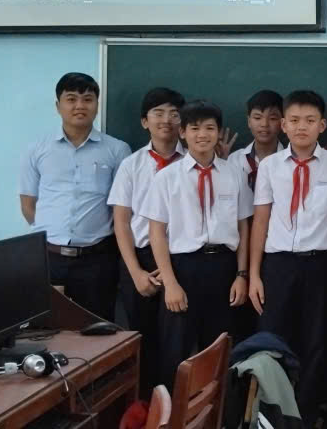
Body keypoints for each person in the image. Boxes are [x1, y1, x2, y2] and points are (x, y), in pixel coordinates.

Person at [248, 90, 327, 428]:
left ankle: (306, 417)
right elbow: (261, 220)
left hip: (321, 266)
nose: (301, 127)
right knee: (272, 341)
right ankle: (271, 416)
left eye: (309, 120)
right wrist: (253, 274)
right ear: (283, 125)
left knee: (317, 343)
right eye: (294, 120)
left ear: (322, 125)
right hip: (278, 265)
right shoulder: (270, 167)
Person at [140, 101, 252, 390]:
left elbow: (243, 227)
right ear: (183, 133)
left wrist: (241, 275)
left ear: (218, 132)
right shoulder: (167, 178)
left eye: (210, 128)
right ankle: (171, 411)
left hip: (224, 268)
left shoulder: (234, 174)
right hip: (183, 269)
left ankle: (217, 412)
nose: (202, 135)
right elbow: (156, 233)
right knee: (175, 352)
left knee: (219, 351)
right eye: (195, 128)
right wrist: (170, 283)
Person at [20, 72, 130, 321]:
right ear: (58, 105)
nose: (80, 106)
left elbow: (122, 209)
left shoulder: (117, 150)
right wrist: (54, 236)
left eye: (88, 99)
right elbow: (28, 205)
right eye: (71, 99)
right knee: (46, 329)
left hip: (97, 260)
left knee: (98, 327)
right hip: (49, 258)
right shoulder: (37, 149)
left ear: (97, 105)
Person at [106, 86, 185, 397]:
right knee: (142, 340)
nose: (166, 120)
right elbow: (121, 221)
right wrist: (136, 272)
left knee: (176, 343)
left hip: (178, 261)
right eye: (158, 113)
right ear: (144, 121)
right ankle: (144, 407)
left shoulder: (193, 163)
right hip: (138, 260)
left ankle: (173, 407)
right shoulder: (132, 164)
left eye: (174, 114)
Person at [229, 89, 285, 342]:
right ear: (248, 120)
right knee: (239, 324)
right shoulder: (232, 161)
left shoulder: (292, 162)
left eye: (272, 118)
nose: (264, 125)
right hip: (238, 249)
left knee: (273, 321)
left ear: (283, 122)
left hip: (276, 249)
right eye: (258, 117)